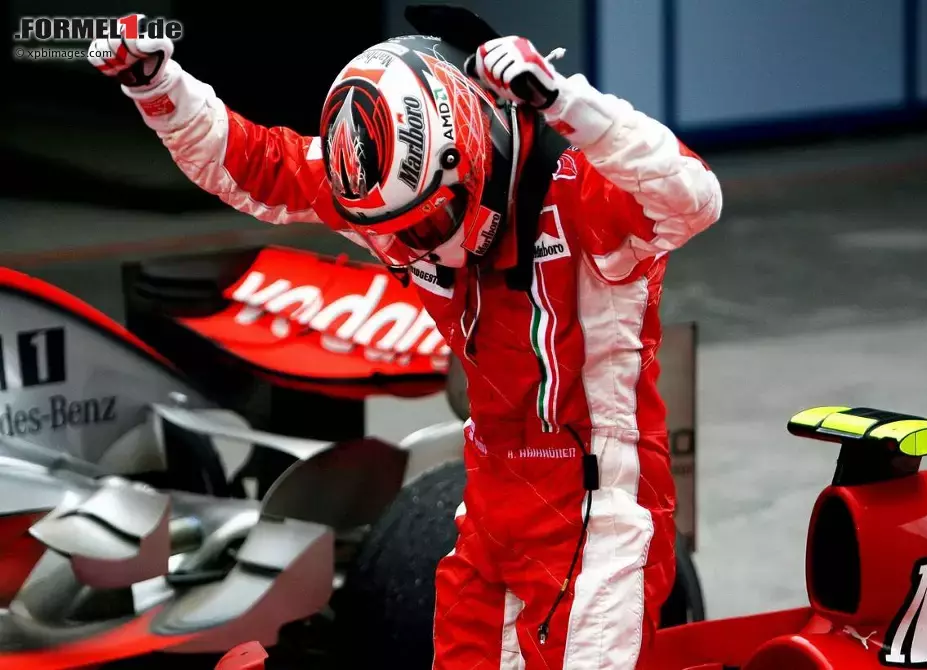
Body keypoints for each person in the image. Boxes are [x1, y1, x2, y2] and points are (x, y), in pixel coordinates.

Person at [90, 21, 721, 669]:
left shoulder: (582, 195)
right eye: (394, 229)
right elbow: (255, 166)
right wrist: (158, 88)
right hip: (489, 502)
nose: (415, 245)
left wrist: (569, 104)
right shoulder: (387, 207)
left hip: (598, 514)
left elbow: (695, 200)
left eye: (425, 221)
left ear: (471, 150)